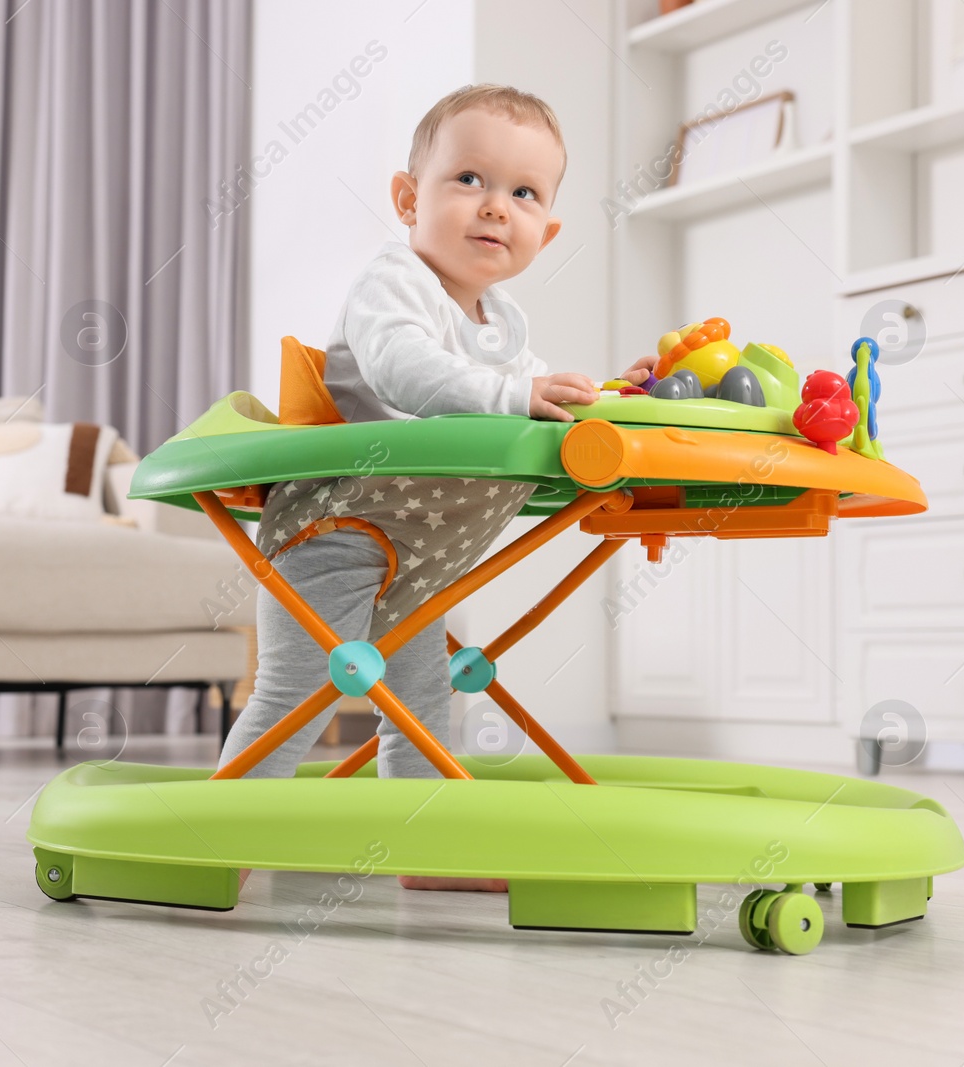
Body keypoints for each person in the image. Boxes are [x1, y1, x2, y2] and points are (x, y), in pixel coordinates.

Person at [221, 84, 655, 892]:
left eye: (523, 193)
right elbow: (404, 370)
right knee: (301, 690)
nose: (496, 207)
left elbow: (539, 402)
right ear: (407, 198)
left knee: (422, 703)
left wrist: (611, 396)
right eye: (470, 180)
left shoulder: (504, 328)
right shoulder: (395, 285)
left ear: (546, 231)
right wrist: (514, 397)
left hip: (422, 556)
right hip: (334, 530)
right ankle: (220, 835)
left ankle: (426, 846)